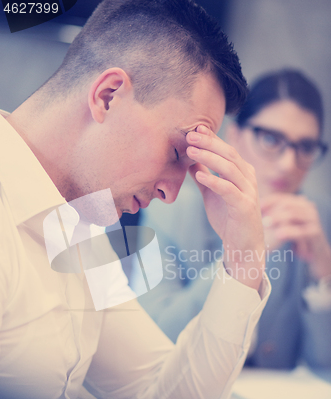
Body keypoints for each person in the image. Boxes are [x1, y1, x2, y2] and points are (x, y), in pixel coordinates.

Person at [0, 0, 270, 399]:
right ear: (108, 95)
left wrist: (244, 259)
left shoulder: (79, 228)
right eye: (179, 153)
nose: (171, 193)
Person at [135, 69, 331, 370]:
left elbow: (324, 364)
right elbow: (151, 338)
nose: (288, 164)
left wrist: (324, 276)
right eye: (270, 138)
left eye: (304, 147)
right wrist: (246, 253)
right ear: (234, 136)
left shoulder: (318, 223)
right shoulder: (170, 209)